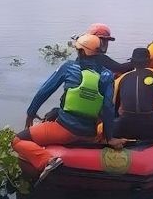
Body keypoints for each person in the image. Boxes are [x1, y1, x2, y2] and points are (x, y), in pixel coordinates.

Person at [11, 34, 126, 180]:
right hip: (89, 133)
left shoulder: (69, 67)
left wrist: (31, 112)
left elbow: (45, 90)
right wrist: (109, 138)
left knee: (17, 140)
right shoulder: (107, 74)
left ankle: (48, 161)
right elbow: (108, 107)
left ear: (82, 52)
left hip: (64, 129)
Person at [113, 48, 153, 140]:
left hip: (125, 125)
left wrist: (116, 126)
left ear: (132, 61)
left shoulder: (121, 79)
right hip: (150, 124)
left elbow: (113, 107)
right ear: (149, 61)